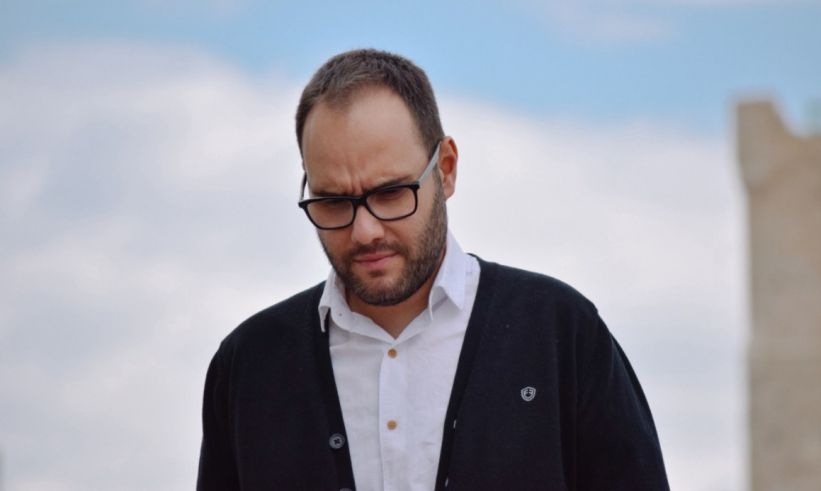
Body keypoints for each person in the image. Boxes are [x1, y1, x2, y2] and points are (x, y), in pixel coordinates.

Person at [197, 49, 669, 491]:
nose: (364, 231)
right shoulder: (247, 368)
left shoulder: (560, 332)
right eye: (333, 202)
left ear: (445, 170)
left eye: (390, 194)